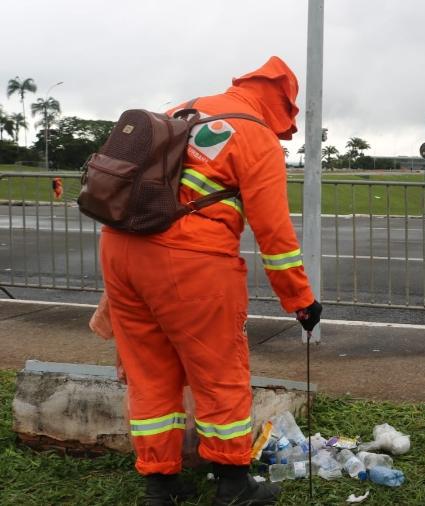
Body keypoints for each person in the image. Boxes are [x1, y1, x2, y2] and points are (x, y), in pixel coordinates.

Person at [100, 56, 322, 506]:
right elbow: (275, 235)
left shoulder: (186, 108)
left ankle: (159, 488)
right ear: (283, 104)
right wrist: (300, 299)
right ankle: (233, 485)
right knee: (220, 373)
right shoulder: (255, 136)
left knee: (148, 375)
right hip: (187, 262)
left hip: (119, 249)